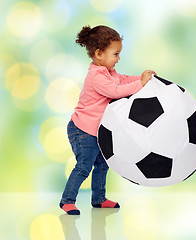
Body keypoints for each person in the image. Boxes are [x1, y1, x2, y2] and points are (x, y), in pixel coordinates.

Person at [60, 25, 156, 215]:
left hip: (97, 131)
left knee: (103, 165)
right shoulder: (96, 76)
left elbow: (123, 79)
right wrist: (141, 84)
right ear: (98, 54)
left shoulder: (108, 72)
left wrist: (143, 78)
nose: (118, 58)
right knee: (83, 167)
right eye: (116, 54)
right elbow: (115, 92)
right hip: (82, 130)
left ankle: (99, 198)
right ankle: (67, 200)